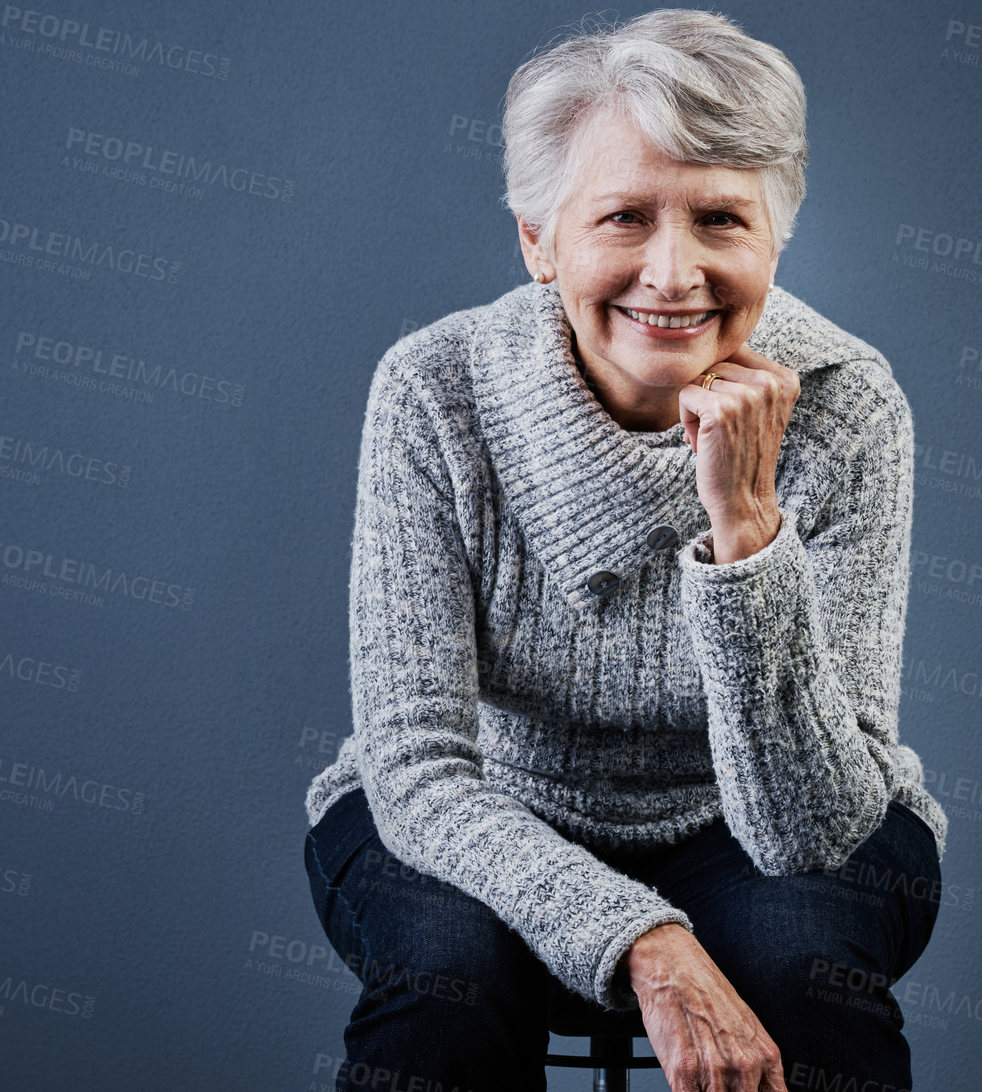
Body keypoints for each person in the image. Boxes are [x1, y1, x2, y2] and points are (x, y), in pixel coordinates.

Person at [303, 9, 947, 1091]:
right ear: (538, 241)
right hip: (483, 798)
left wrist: (747, 532)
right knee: (445, 986)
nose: (674, 270)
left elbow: (816, 830)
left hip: (752, 819)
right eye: (624, 217)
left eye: (719, 220)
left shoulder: (849, 406)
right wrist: (645, 935)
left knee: (810, 978)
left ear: (775, 241)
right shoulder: (435, 391)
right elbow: (416, 768)